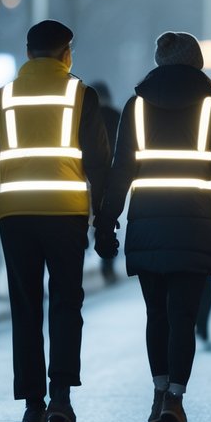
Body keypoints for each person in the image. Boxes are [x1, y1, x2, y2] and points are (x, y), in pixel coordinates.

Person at [94, 34, 211, 422]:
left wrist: (105, 222)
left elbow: (121, 171)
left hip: (148, 222)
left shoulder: (137, 107)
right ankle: (176, 401)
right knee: (184, 316)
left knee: (156, 314)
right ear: (197, 62)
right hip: (196, 225)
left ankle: (159, 391)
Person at [0, 20, 111, 422]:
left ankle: (32, 403)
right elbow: (99, 164)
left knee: (25, 307)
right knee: (66, 302)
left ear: (28, 54)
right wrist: (106, 222)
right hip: (66, 214)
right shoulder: (82, 95)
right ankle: (61, 395)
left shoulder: (2, 98)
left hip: (15, 216)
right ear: (67, 55)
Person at [90, 82, 123, 286]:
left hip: (89, 173)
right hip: (111, 173)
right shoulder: (116, 115)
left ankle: (87, 247)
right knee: (109, 217)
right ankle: (108, 265)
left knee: (89, 216)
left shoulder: (87, 114)